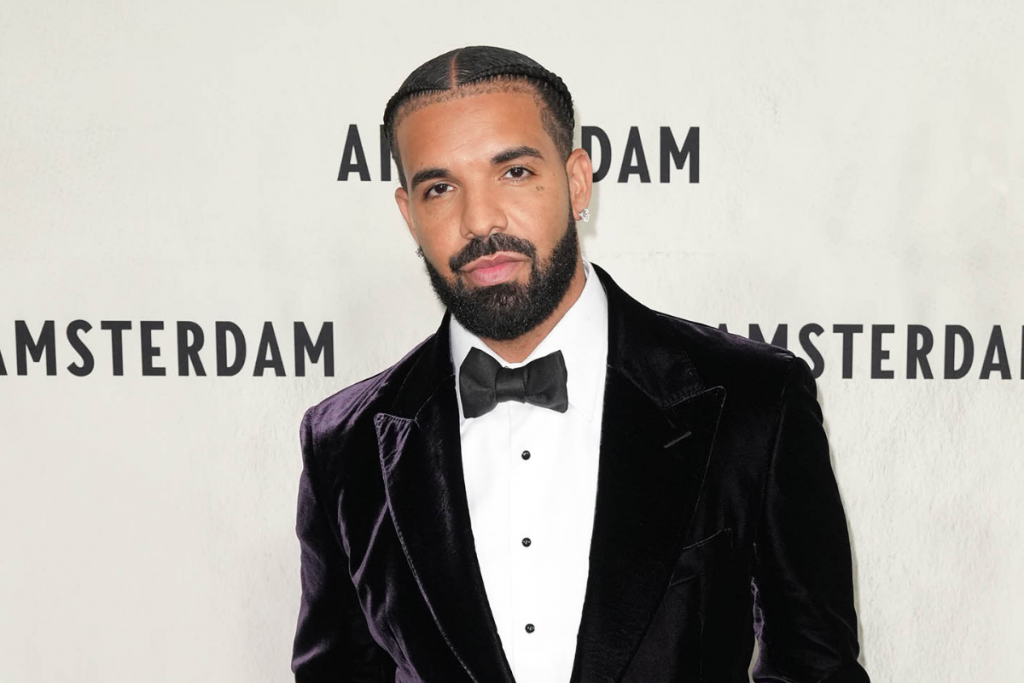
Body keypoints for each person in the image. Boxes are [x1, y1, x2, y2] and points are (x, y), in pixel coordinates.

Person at [291, 45, 869, 683]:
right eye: (440, 188)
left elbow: (818, 668)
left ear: (576, 181)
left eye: (514, 172)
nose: (479, 220)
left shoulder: (754, 399)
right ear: (409, 214)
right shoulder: (343, 444)